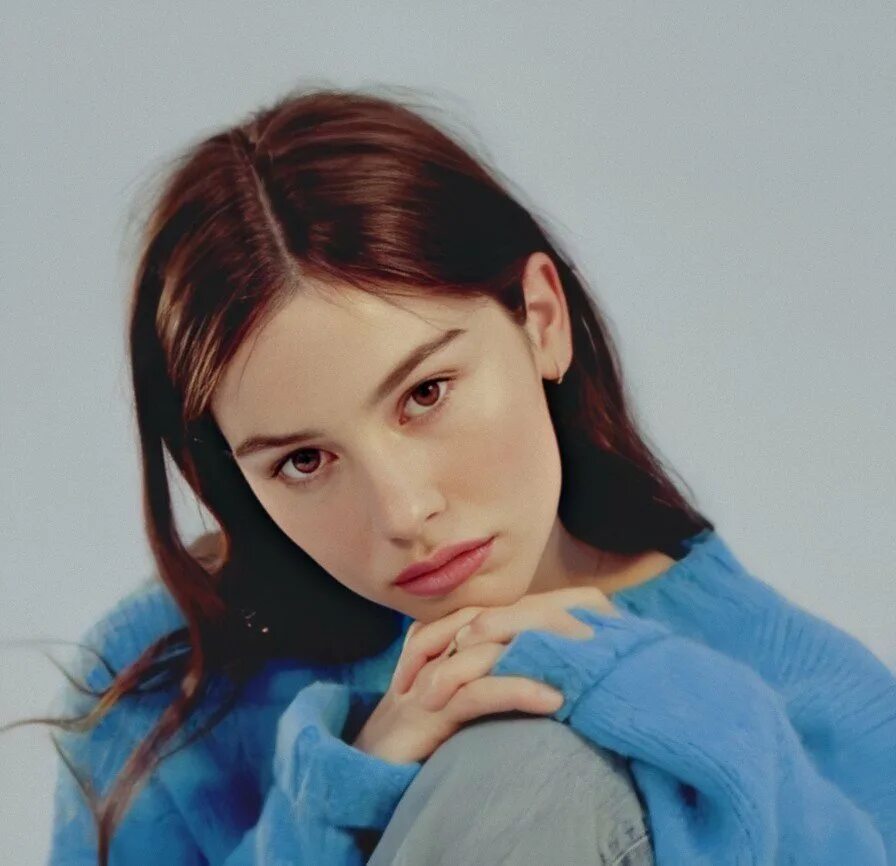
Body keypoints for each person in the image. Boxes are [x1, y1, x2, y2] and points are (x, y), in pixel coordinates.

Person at [30, 85, 894, 865]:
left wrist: (662, 703)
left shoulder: (818, 705)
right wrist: (346, 786)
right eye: (303, 461)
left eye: (426, 394)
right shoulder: (169, 681)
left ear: (542, 321)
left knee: (532, 763)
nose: (404, 512)